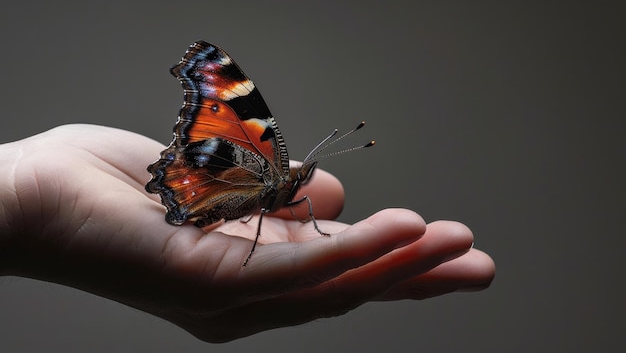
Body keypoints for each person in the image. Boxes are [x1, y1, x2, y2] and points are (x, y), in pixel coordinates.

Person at [0, 124, 495, 342]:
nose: (303, 176)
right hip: (195, 183)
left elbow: (294, 204)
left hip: (207, 193)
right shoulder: (270, 170)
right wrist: (24, 189)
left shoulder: (288, 187)